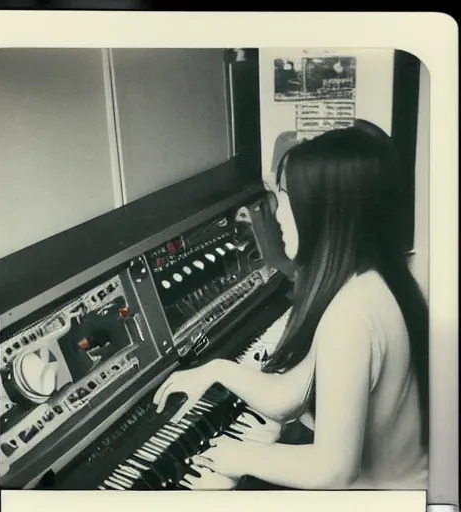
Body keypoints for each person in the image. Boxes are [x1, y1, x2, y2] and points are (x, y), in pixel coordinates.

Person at [153, 122, 429, 490]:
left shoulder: (351, 317)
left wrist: (238, 456)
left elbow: (332, 469)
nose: (277, 214)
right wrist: (217, 370)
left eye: (284, 197)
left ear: (325, 212)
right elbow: (290, 395)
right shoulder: (374, 280)